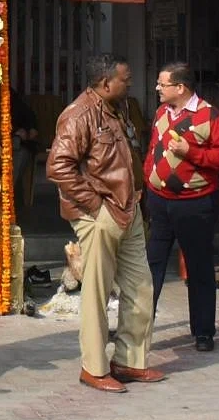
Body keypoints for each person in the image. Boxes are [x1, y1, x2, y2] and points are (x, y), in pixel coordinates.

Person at [48, 55, 158, 394]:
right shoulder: (79, 114)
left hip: (129, 207)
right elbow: (58, 167)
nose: (131, 83)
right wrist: (97, 206)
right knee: (96, 292)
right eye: (125, 79)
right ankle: (93, 368)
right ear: (105, 82)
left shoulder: (118, 109)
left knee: (141, 287)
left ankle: (129, 361)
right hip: (100, 213)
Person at [145, 60, 219, 353]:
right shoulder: (161, 112)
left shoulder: (209, 116)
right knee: (151, 267)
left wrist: (191, 152)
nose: (158, 88)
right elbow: (153, 149)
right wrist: (148, 178)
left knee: (198, 269)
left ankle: (203, 332)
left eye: (163, 84)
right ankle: (139, 329)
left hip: (194, 204)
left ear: (180, 87)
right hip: (159, 202)